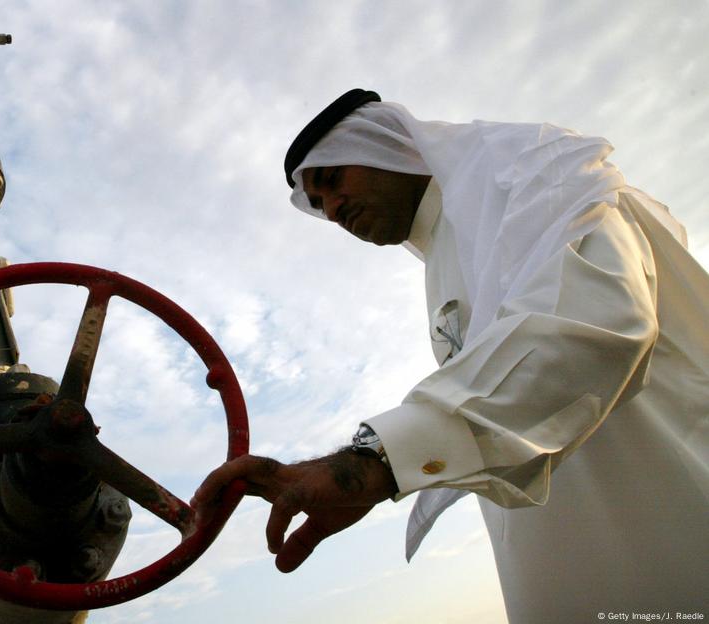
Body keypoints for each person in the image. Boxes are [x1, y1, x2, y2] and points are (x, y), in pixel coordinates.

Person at [192, 90, 709, 622]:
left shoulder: (534, 171)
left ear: (387, 146)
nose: (333, 210)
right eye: (319, 206)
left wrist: (373, 464)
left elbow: (597, 321)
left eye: (333, 181)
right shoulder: (444, 257)